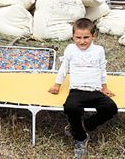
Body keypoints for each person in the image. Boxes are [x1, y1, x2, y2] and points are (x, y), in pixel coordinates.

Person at [49, 18, 117, 158]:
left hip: (95, 91)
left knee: (111, 108)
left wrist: (104, 87)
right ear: (73, 37)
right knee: (70, 107)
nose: (82, 41)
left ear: (93, 36)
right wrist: (57, 84)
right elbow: (64, 68)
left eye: (86, 37)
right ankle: (80, 138)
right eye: (78, 37)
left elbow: (102, 69)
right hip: (77, 90)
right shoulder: (70, 49)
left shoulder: (99, 50)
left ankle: (84, 125)